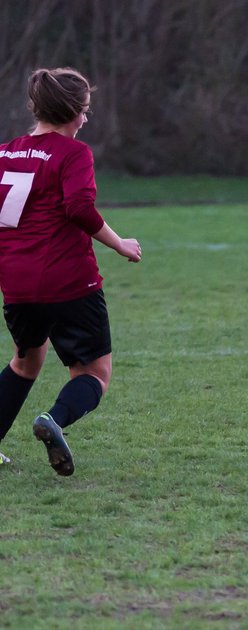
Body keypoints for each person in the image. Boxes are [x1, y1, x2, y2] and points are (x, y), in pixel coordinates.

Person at [0, 68, 142, 475]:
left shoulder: (5, 153)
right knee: (94, 372)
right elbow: (78, 209)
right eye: (84, 110)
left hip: (18, 286)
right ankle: (54, 421)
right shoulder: (73, 154)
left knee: (25, 363)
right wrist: (120, 244)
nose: (85, 119)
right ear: (69, 111)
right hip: (67, 281)